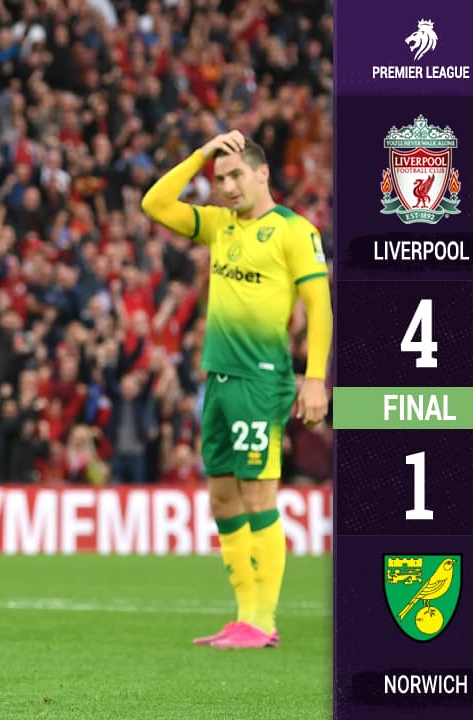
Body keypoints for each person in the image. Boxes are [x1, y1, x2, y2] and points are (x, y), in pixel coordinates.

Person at [141, 130, 332, 649]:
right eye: (219, 178)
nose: (226, 187)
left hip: (261, 380)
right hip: (219, 379)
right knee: (223, 500)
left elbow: (319, 307)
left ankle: (262, 621)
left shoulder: (294, 231)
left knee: (258, 495)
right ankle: (244, 616)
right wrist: (201, 153)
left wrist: (315, 377)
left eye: (235, 175)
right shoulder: (219, 225)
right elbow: (154, 203)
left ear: (262, 173)